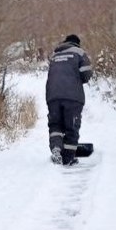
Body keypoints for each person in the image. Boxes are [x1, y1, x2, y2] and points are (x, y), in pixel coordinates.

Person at [45, 34, 93, 166]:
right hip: (72, 97)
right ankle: (68, 158)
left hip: (52, 96)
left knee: (55, 125)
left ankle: (56, 149)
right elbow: (87, 74)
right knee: (71, 127)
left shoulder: (55, 55)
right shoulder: (79, 52)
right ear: (77, 43)